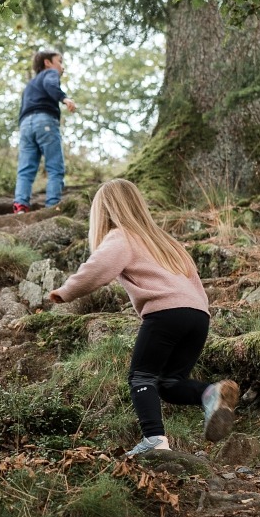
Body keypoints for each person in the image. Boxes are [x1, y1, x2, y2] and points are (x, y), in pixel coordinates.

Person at [48, 178, 239, 457]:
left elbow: (97, 269)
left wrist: (65, 292)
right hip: (198, 317)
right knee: (169, 384)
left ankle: (154, 440)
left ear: (105, 211)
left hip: (165, 314)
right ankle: (210, 392)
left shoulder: (122, 236)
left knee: (141, 377)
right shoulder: (165, 242)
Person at [13, 50, 77, 213]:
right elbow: (51, 85)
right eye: (59, 61)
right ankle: (52, 206)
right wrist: (64, 98)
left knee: (25, 168)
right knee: (55, 167)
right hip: (45, 121)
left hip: (26, 125)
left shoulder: (30, 85)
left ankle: (20, 206)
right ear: (48, 63)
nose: (62, 66)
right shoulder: (50, 73)